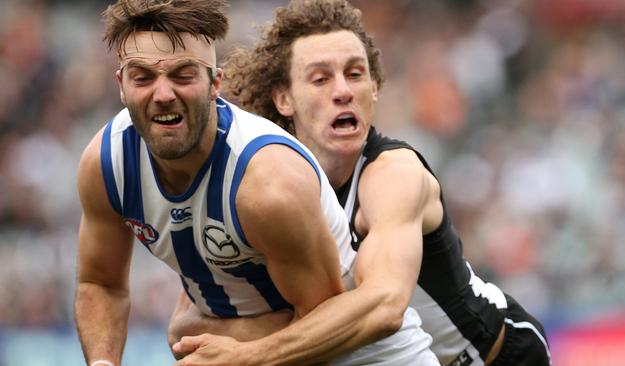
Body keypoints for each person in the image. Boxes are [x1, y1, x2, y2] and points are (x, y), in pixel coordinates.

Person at [170, 0, 552, 365]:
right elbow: (184, 328)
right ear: (283, 98)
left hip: (494, 355)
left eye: (355, 74)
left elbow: (384, 307)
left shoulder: (393, 174)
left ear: (375, 88)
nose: (343, 91)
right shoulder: (264, 186)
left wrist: (251, 352)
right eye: (320, 78)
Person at [74, 0, 437, 366]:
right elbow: (99, 284)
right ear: (121, 85)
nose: (163, 94)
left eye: (184, 75)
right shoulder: (106, 165)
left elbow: (322, 324)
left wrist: (220, 341)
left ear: (214, 83)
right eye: (143, 77)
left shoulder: (267, 184)